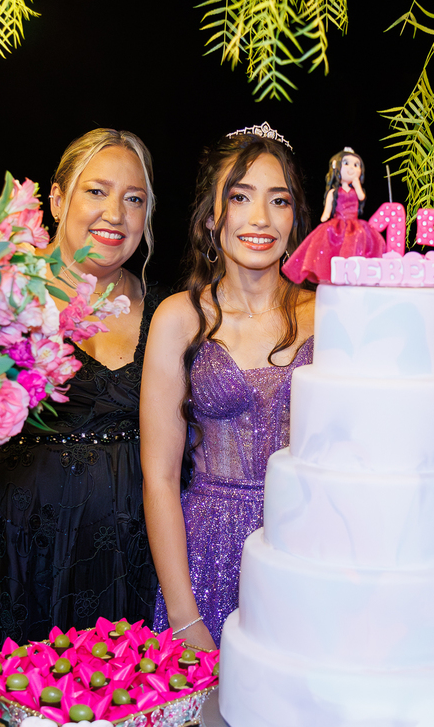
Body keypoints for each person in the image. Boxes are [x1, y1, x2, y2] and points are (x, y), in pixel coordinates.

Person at [0, 127, 160, 669]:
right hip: (3, 567)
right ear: (58, 199)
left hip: (122, 569)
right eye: (97, 191)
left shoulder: (169, 313)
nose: (115, 213)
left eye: (133, 199)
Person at [141, 124, 314, 651]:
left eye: (279, 200)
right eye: (240, 197)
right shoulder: (178, 318)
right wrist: (183, 617)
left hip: (306, 545)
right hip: (206, 551)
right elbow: (159, 478)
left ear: (294, 218)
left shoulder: (329, 312)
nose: (261, 218)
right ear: (211, 216)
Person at [283, 146, 385, 284]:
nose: (352, 168)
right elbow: (328, 209)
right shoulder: (334, 192)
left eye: (356, 165)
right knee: (334, 249)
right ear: (336, 167)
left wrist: (357, 185)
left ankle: (355, 276)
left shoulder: (355, 191)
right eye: (346, 163)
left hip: (355, 226)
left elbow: (362, 197)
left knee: (358, 246)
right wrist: (325, 216)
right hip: (338, 224)